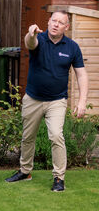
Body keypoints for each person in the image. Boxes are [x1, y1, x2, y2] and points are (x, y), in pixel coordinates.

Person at [5, 10, 88, 192]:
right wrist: (30, 33)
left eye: (60, 22)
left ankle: (59, 178)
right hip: (33, 99)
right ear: (48, 22)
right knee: (28, 137)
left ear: (66, 27)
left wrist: (82, 102)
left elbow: (81, 75)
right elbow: (30, 43)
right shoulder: (39, 39)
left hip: (57, 101)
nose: (55, 24)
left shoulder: (72, 47)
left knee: (56, 136)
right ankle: (25, 171)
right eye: (53, 20)